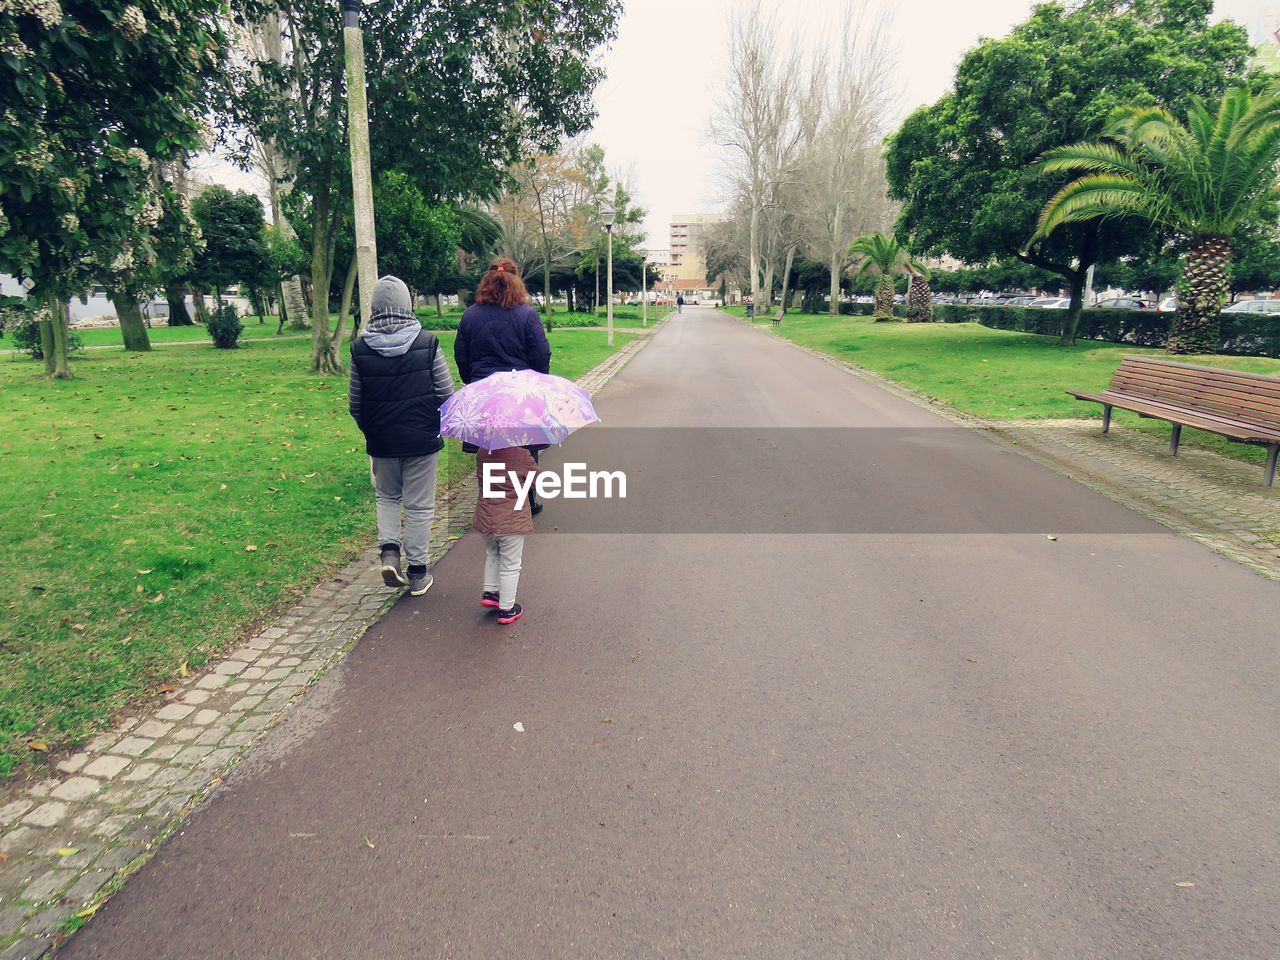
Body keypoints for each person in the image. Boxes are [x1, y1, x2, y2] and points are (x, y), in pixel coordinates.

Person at [349, 275, 454, 595]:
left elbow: (356, 402)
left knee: (387, 497)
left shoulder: (360, 348)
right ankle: (418, 573)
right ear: (408, 304)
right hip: (423, 439)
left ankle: (390, 554)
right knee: (420, 507)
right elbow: (446, 393)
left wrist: (370, 429)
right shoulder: (428, 343)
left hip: (381, 440)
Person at [455, 256, 552, 512]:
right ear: (516, 281)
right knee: (525, 445)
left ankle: (493, 501)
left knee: (489, 448)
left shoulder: (470, 315)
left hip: (484, 392)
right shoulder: (527, 315)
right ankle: (527, 499)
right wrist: (537, 379)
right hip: (519, 392)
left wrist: (473, 381)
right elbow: (541, 355)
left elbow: (461, 355)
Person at [474, 445, 536, 624]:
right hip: (511, 521)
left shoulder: (482, 452)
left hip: (486, 518)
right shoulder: (521, 455)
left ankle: (491, 591)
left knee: (493, 554)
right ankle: (507, 608)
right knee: (511, 565)